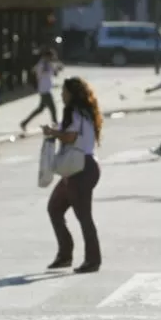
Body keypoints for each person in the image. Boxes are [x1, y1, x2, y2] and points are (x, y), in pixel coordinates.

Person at [43, 77, 104, 274]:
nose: (61, 95)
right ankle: (65, 255)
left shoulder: (76, 112)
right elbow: (68, 131)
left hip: (81, 168)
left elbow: (71, 136)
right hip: (81, 166)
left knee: (83, 216)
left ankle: (92, 260)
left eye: (64, 92)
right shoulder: (83, 112)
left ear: (72, 94)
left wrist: (53, 132)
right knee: (55, 208)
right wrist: (55, 130)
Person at [20, 48, 62, 132]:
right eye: (50, 57)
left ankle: (24, 122)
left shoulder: (47, 64)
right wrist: (52, 67)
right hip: (44, 90)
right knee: (52, 108)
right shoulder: (42, 64)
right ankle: (55, 124)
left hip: (46, 89)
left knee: (40, 109)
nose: (51, 58)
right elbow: (40, 73)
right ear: (46, 56)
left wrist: (56, 68)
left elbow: (55, 73)